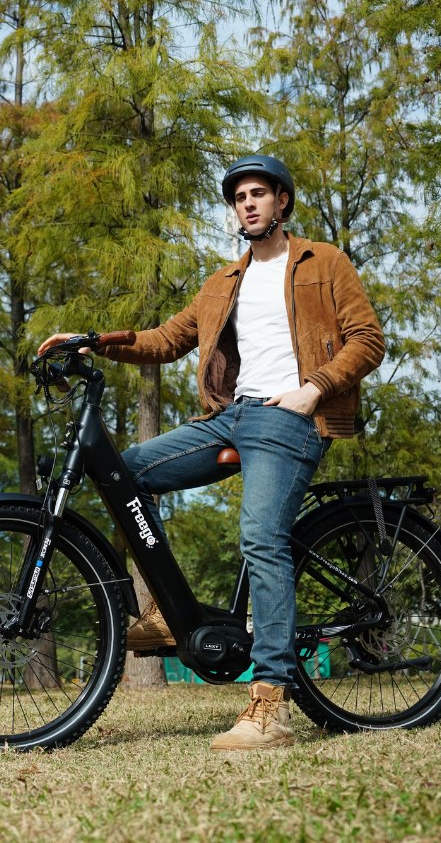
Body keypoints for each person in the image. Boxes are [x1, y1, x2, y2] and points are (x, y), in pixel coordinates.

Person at [38, 155, 384, 750]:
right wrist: (95, 342)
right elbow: (167, 340)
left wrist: (314, 389)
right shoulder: (224, 282)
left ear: (282, 202)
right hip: (230, 417)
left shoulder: (322, 261)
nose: (247, 204)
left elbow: (368, 339)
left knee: (261, 538)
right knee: (125, 473)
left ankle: (271, 706)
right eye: (238, 197)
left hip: (291, 417)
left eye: (258, 194)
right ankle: (167, 614)